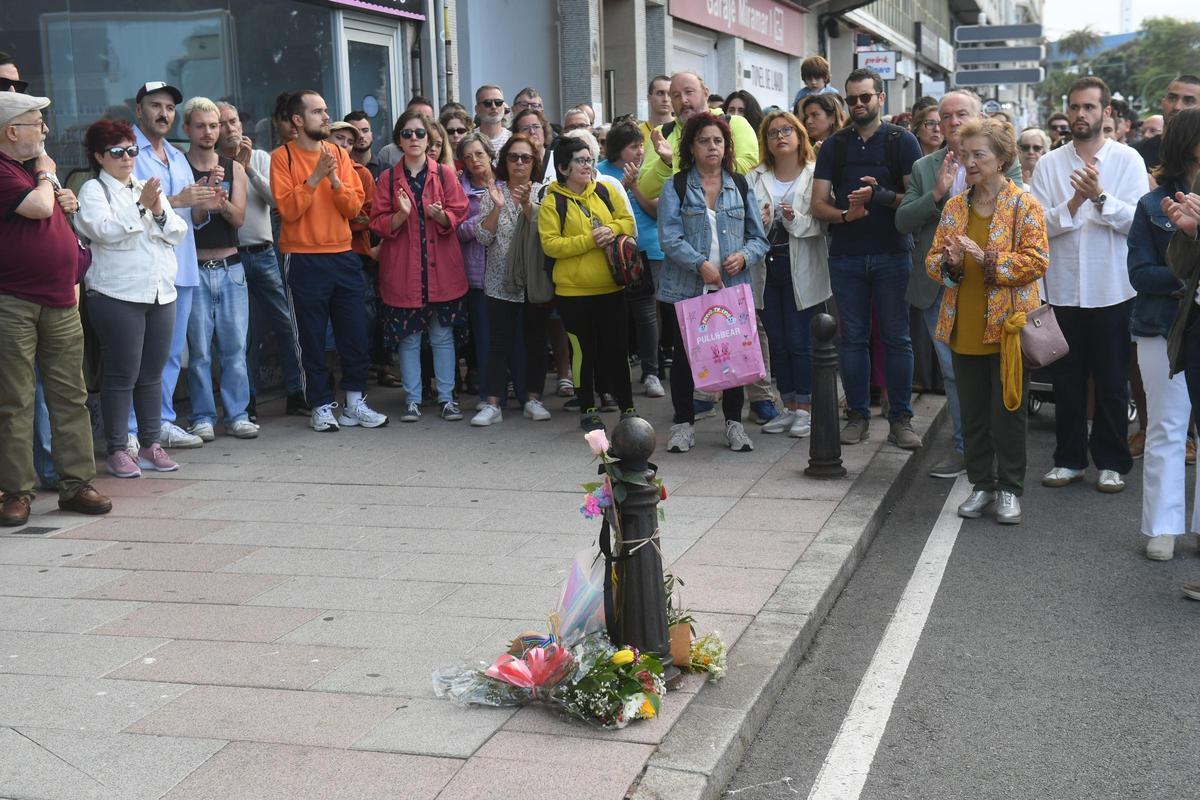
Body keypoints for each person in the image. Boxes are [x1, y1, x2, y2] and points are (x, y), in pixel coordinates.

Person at [925, 118, 1049, 524]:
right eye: (966, 155)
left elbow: (1037, 260)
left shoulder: (1024, 204)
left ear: (1001, 159)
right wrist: (951, 263)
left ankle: (1010, 490)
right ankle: (982, 485)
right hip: (963, 326)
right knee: (974, 413)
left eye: (979, 154)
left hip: (1008, 330)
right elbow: (933, 262)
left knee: (1008, 413)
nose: (971, 162)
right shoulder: (956, 205)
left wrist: (987, 259)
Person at [1030, 77, 1148, 493]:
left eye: (1090, 108)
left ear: (1106, 113)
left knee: (1113, 381)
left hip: (1113, 289)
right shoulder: (1049, 164)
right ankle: (1069, 460)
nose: (1081, 115)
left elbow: (1137, 224)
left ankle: (1112, 462)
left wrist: (1099, 197)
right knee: (1067, 381)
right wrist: (1075, 204)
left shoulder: (1128, 160)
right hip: (1061, 289)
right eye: (1075, 107)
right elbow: (1038, 228)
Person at [0, 92, 112, 526]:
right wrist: (48, 177)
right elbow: (39, 207)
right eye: (37, 123)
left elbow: (54, 216)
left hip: (61, 298)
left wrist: (71, 203)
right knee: (14, 400)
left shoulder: (30, 172)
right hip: (14, 301)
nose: (45, 131)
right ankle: (15, 491)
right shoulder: (12, 171)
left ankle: (76, 484)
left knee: (71, 395)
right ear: (12, 131)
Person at [898, 90, 1023, 477]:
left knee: (992, 373)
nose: (951, 122)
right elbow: (903, 222)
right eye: (945, 116)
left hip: (991, 287)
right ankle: (964, 447)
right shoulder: (924, 167)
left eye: (960, 114)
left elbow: (1017, 219)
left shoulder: (1005, 162)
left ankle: (997, 453)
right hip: (940, 283)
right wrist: (936, 193)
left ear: (978, 116)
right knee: (953, 373)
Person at [811, 67, 924, 449]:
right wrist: (846, 215)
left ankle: (901, 419)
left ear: (881, 98)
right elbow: (817, 205)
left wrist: (881, 196)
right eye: (852, 99)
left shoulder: (902, 142)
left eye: (865, 97)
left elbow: (915, 202)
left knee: (897, 338)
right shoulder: (835, 146)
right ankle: (857, 415)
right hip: (846, 256)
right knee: (852, 339)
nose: (858, 104)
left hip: (893, 252)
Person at [76, 118, 190, 478]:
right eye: (117, 152)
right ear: (99, 156)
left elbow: (177, 231)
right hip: (116, 293)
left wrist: (156, 209)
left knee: (152, 375)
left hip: (159, 291)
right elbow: (104, 231)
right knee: (121, 373)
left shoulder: (143, 186)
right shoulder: (94, 190)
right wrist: (142, 208)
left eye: (130, 150)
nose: (127, 157)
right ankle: (117, 447)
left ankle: (150, 444)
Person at [271, 89, 387, 432]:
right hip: (304, 258)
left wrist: (334, 178)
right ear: (298, 120)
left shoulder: (337, 152)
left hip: (342, 254)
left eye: (325, 110)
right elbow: (289, 210)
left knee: (354, 333)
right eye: (318, 111)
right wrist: (316, 177)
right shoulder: (283, 157)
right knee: (310, 336)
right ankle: (321, 405)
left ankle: (354, 403)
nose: (326, 116)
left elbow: (354, 209)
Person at [657, 113, 770, 452]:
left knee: (734, 354)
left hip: (731, 288)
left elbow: (759, 238)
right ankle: (683, 424)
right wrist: (700, 264)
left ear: (726, 146)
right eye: (704, 140)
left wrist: (745, 256)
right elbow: (669, 238)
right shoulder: (675, 185)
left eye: (718, 141)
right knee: (684, 357)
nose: (712, 147)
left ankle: (734, 424)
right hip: (686, 286)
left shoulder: (741, 184)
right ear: (691, 146)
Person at [1127, 108, 1200, 560]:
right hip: (1162, 326)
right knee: (1168, 427)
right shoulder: (1153, 205)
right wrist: (1187, 281)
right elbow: (1139, 273)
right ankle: (1163, 528)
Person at [369, 108, 469, 423]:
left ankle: (447, 398)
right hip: (403, 270)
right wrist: (399, 215)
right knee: (409, 340)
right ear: (399, 139)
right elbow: (377, 223)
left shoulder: (445, 174)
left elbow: (459, 212)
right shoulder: (386, 178)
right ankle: (412, 399)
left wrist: (441, 216)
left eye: (420, 133)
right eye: (408, 134)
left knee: (442, 336)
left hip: (442, 269)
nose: (414, 139)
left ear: (429, 139)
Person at [131, 81, 213, 450]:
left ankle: (160, 422)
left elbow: (190, 218)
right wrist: (179, 199)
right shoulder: (126, 152)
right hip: (144, 272)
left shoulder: (178, 158)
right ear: (139, 110)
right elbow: (129, 213)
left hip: (182, 268)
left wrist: (203, 202)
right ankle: (132, 430)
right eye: (155, 105)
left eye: (169, 107)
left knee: (169, 354)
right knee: (138, 356)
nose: (164, 113)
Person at [539, 136, 638, 432]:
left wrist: (611, 228)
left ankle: (627, 405)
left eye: (589, 160)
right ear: (563, 168)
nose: (587, 166)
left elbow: (627, 222)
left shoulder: (606, 190)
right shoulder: (552, 200)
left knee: (617, 349)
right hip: (573, 293)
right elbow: (551, 245)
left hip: (612, 288)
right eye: (580, 161)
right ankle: (587, 408)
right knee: (583, 351)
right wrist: (589, 241)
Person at [216, 101, 307, 418]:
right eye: (223, 124)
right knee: (242, 334)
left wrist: (248, 169)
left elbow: (276, 201)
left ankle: (297, 393)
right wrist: (232, 170)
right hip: (232, 258)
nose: (230, 129)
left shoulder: (261, 158)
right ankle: (247, 401)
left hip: (264, 252)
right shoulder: (212, 163)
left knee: (286, 324)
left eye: (234, 122)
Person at [177, 97, 256, 443]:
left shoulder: (233, 167)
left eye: (214, 126)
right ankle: (203, 416)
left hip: (230, 266)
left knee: (234, 348)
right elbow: (185, 219)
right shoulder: (178, 166)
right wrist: (202, 201)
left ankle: (237, 414)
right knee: (198, 352)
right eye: (201, 126)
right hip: (194, 269)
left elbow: (239, 218)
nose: (209, 132)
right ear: (187, 129)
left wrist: (220, 203)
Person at [747, 110, 830, 439]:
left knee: (800, 339)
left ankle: (806, 409)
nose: (780, 136)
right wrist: (765, 220)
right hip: (767, 263)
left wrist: (794, 219)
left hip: (802, 263)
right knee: (777, 341)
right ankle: (788, 405)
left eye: (786, 130)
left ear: (799, 136)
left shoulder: (814, 173)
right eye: (772, 132)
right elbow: (748, 224)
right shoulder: (755, 176)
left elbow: (822, 222)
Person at [470, 133, 554, 426]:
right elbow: (482, 236)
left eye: (526, 158)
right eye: (513, 157)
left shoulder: (545, 193)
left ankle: (533, 398)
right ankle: (492, 403)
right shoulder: (493, 192)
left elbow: (548, 236)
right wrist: (497, 207)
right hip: (498, 282)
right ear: (504, 161)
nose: (519, 163)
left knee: (535, 342)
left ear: (534, 163)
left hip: (535, 282)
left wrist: (527, 207)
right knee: (498, 344)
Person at [597, 120, 665, 398]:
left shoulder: (649, 171)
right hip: (609, 251)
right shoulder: (599, 172)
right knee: (614, 315)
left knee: (647, 313)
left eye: (641, 146)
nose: (639, 152)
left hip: (645, 248)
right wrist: (622, 187)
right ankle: (616, 375)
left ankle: (651, 373)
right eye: (632, 147)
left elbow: (656, 213)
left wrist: (634, 186)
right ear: (617, 149)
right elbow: (599, 213)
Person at [638, 72, 761, 201]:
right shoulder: (662, 133)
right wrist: (665, 163)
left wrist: (689, 169)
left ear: (705, 93)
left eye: (689, 92)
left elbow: (749, 167)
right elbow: (645, 190)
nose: (683, 100)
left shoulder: (735, 124)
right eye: (676, 95)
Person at [456, 131, 497, 411]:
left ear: (490, 154)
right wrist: (485, 220)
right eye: (468, 157)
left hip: (508, 272)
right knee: (483, 339)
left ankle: (518, 391)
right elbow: (457, 231)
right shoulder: (459, 190)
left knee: (513, 337)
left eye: (479, 154)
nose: (474, 160)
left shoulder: (506, 184)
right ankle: (487, 394)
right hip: (477, 275)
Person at [1135, 75, 1200, 170]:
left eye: (1189, 101)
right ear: (1163, 102)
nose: (1177, 107)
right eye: (1172, 98)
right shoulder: (1135, 154)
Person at [512, 107, 554, 180]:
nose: (532, 132)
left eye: (536, 127)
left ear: (544, 130)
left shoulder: (557, 158)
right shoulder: (516, 164)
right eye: (525, 128)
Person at [343, 111, 382, 178]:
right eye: (356, 132)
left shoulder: (386, 170)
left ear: (371, 134)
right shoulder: (340, 168)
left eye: (365, 130)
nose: (361, 136)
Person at [475, 84, 511, 155]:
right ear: (477, 109)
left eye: (498, 102)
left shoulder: (513, 139)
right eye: (487, 103)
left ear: (504, 107)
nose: (494, 107)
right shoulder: (468, 139)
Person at [642, 75, 674, 144]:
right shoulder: (637, 133)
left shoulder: (683, 130)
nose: (665, 99)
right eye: (660, 93)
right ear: (649, 98)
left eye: (670, 94)